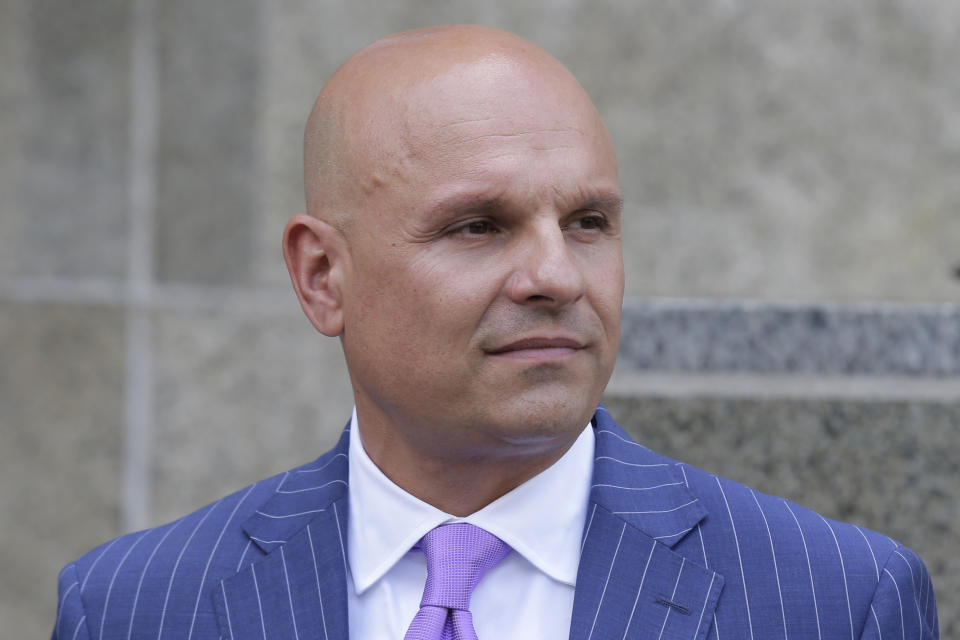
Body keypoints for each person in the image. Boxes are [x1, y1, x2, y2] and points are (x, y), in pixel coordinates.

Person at [53, 25, 937, 640]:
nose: (555, 276)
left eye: (588, 222)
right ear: (324, 277)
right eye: (478, 227)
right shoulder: (139, 606)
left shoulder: (834, 600)